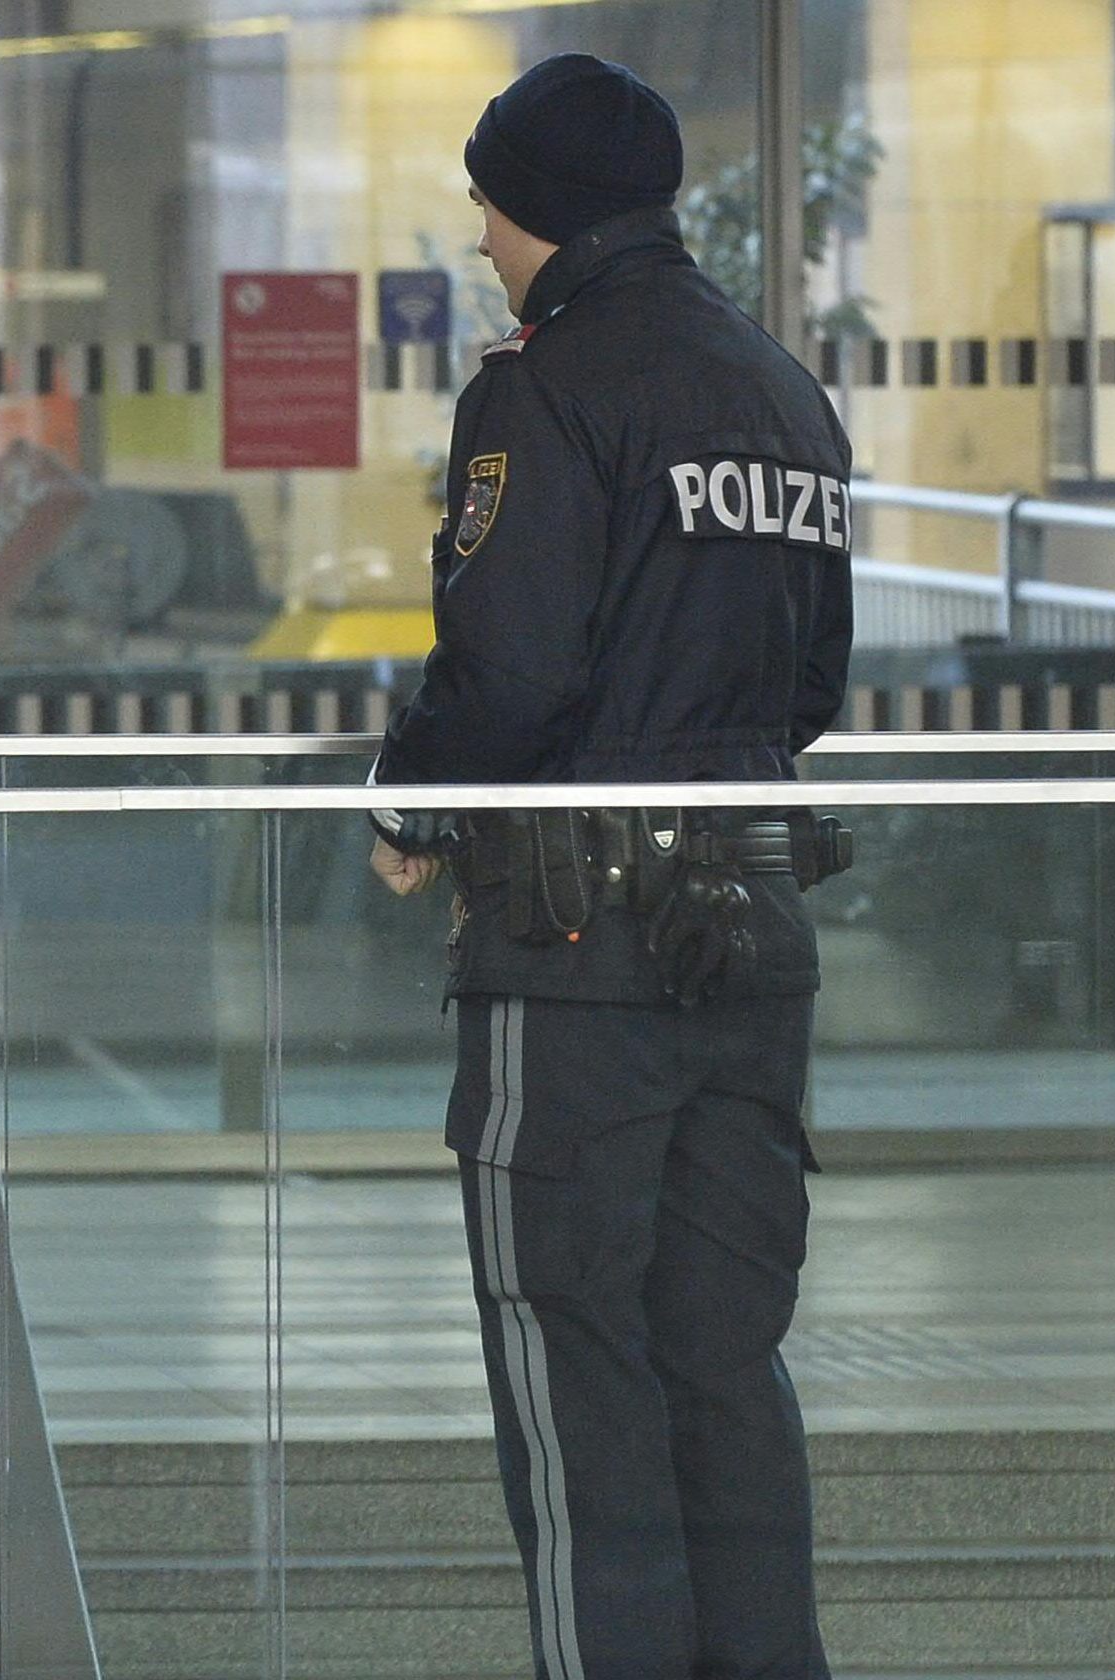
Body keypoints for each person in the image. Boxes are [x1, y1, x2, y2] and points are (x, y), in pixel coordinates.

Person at [367, 53, 854, 1680]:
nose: (484, 245)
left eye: (491, 211)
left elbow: (508, 669)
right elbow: (811, 692)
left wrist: (408, 808)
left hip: (576, 947)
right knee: (727, 1370)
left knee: (578, 1379)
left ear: (545, 212)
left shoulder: (544, 385)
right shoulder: (783, 387)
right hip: (753, 929)